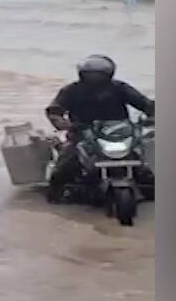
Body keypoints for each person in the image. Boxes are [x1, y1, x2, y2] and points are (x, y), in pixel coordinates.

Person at [45, 55, 155, 202]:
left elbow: (145, 104)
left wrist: (152, 116)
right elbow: (55, 109)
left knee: (145, 168)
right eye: (90, 74)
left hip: (118, 133)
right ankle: (54, 195)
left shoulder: (120, 88)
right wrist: (62, 123)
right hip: (82, 134)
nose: (94, 78)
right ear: (82, 74)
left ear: (108, 74)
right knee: (64, 166)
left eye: (98, 74)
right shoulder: (71, 90)